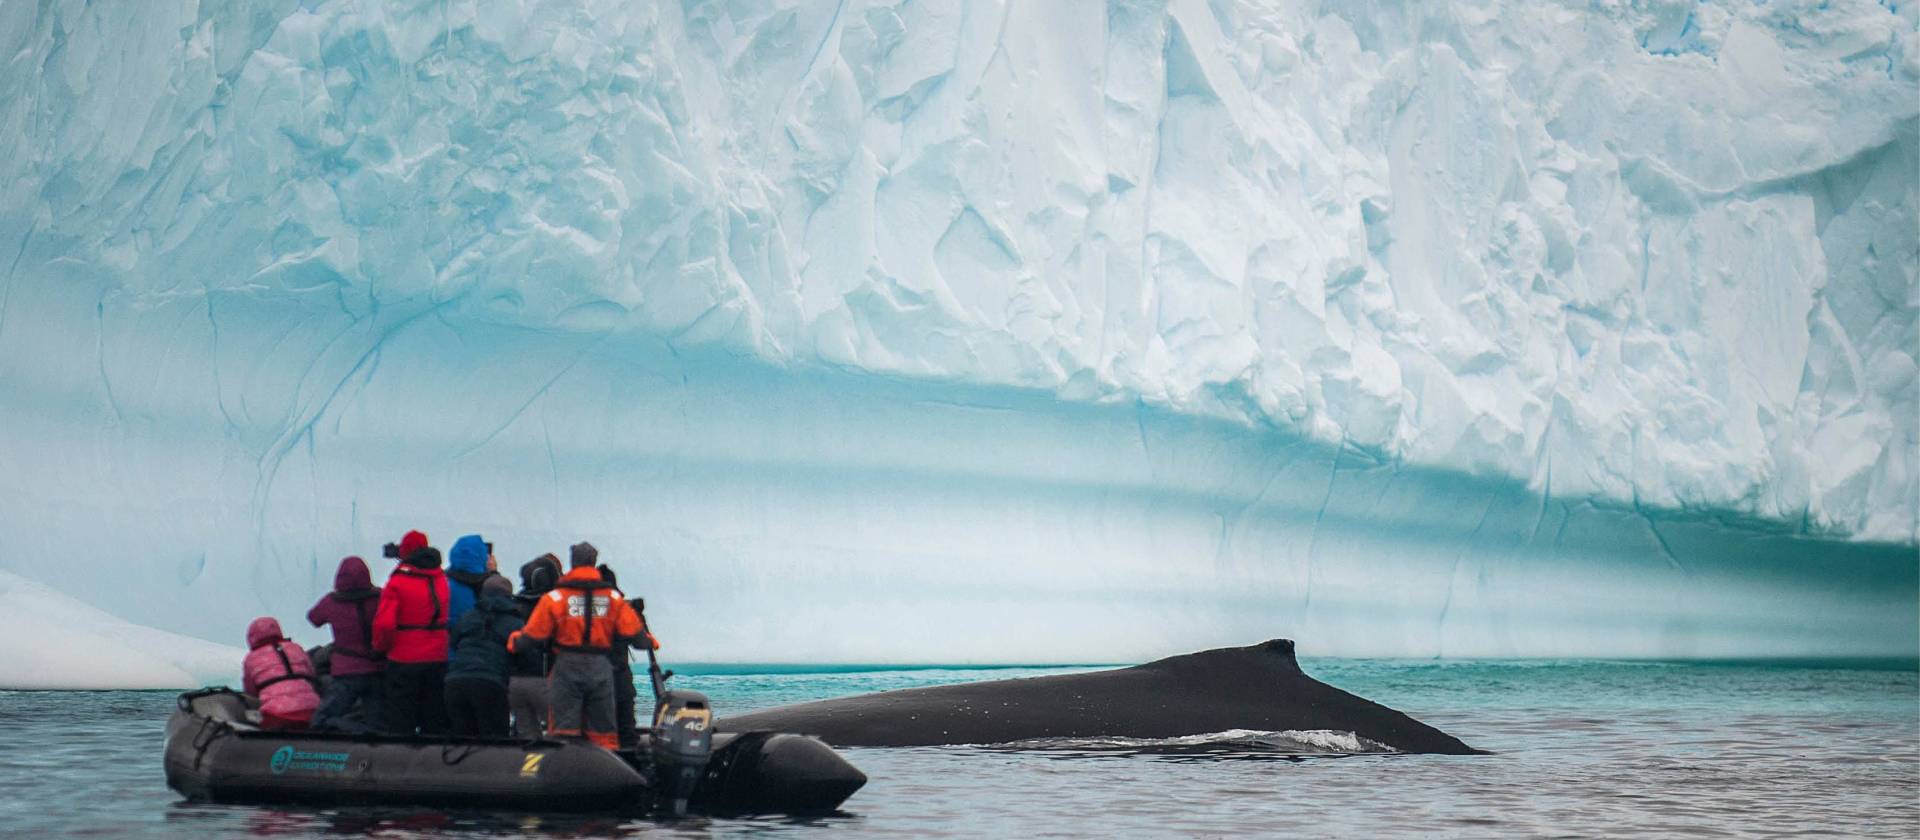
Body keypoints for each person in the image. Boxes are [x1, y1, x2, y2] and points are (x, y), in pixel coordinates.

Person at [508, 542, 652, 751]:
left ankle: (565, 770)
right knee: (602, 731)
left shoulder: (556, 598)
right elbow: (637, 636)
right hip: (600, 668)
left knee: (564, 730)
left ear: (572, 562)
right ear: (593, 562)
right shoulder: (611, 598)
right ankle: (606, 771)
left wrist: (516, 641)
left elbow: (533, 635)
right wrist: (649, 641)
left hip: (567, 666)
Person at [372, 542, 451, 736]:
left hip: (404, 658)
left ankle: (399, 760)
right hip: (437, 656)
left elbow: (384, 624)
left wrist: (381, 647)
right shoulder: (441, 578)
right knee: (433, 714)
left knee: (401, 717)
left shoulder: (398, 582)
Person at [306, 556, 383, 730]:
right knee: (379, 726)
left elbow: (313, 618)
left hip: (347, 673)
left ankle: (357, 732)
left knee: (321, 720)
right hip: (377, 670)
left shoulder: (331, 602)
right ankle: (368, 737)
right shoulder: (380, 597)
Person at [444, 576, 524, 737]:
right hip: (491, 683)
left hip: (455, 682)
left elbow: (453, 644)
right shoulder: (516, 623)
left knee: (462, 741)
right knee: (495, 742)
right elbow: (522, 655)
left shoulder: (467, 616)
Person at [509, 553, 562, 738]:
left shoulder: (513, 606)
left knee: (527, 738)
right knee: (565, 734)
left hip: (514, 680)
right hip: (544, 679)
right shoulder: (553, 607)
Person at [242, 617, 322, 730]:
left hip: (276, 714)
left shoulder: (251, 658)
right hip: (311, 709)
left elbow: (250, 691)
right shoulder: (296, 648)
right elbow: (312, 675)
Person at [597, 564, 641, 749]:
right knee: (626, 730)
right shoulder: (623, 609)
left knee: (600, 730)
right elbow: (641, 642)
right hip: (620, 679)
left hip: (596, 680)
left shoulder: (583, 609)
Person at [445, 534, 505, 661]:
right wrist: (493, 573)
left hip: (447, 654)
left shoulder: (444, 583)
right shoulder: (486, 586)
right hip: (481, 656)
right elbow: (501, 605)